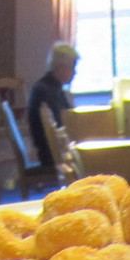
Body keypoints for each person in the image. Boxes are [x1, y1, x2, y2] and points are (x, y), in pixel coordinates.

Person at [27, 43, 77, 171]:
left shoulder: (51, 87)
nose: (74, 72)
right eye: (72, 67)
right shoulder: (45, 91)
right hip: (51, 156)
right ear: (61, 66)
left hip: (52, 151)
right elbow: (63, 123)